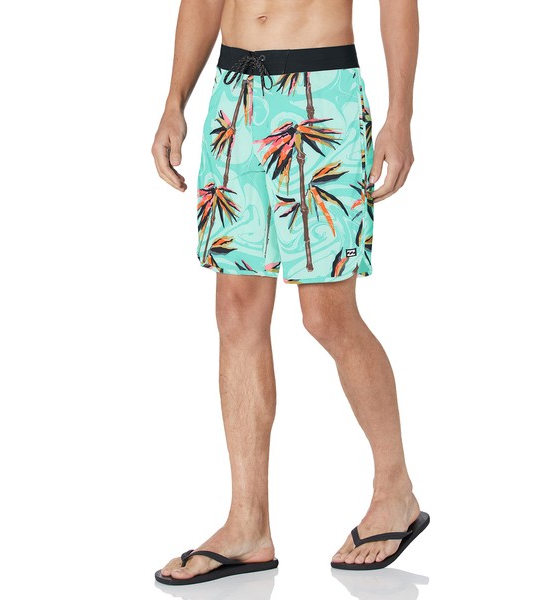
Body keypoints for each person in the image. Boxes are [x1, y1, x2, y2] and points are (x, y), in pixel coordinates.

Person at [152, 0, 428, 586]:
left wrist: (400, 116)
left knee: (327, 314)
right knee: (235, 311)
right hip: (234, 97)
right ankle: (247, 525)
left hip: (320, 94)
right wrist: (174, 100)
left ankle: (395, 492)